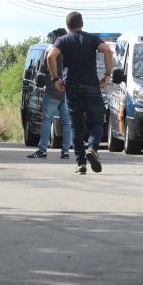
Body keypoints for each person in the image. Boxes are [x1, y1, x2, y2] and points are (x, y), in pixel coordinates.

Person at [47, 12, 114, 174]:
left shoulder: (63, 40)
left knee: (75, 128)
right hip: (91, 87)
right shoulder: (92, 39)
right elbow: (107, 51)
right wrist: (107, 75)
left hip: (72, 88)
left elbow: (50, 57)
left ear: (67, 25)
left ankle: (81, 164)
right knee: (97, 122)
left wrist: (55, 78)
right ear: (82, 24)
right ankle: (92, 148)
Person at [28, 28, 72, 159]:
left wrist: (45, 83)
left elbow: (43, 70)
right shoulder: (70, 52)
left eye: (53, 36)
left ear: (58, 37)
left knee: (47, 119)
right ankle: (65, 151)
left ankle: (42, 150)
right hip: (67, 91)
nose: (52, 39)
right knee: (66, 121)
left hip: (53, 90)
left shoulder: (53, 51)